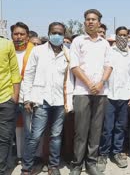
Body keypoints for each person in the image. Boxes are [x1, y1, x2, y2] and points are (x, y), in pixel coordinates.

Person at [21, 22, 72, 175]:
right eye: (54, 32)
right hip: (41, 99)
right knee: (35, 136)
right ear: (49, 33)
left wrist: (69, 102)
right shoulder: (38, 51)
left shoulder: (68, 53)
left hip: (60, 101)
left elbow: (70, 79)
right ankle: (26, 167)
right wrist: (27, 98)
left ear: (64, 35)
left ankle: (53, 166)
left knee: (56, 136)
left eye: (60, 33)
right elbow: (28, 75)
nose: (57, 36)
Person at [69, 9, 113, 175]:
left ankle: (91, 163)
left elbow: (109, 66)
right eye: (88, 19)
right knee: (80, 130)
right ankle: (76, 164)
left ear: (99, 23)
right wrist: (89, 84)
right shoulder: (78, 41)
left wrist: (100, 83)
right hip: (82, 91)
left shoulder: (105, 43)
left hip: (101, 92)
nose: (91, 22)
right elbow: (74, 66)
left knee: (96, 130)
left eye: (94, 19)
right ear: (84, 22)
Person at [97, 26, 130, 171]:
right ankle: (103, 153)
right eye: (119, 35)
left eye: (125, 35)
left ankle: (117, 152)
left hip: (125, 96)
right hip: (109, 95)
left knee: (121, 126)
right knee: (107, 127)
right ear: (115, 37)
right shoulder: (109, 51)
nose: (122, 38)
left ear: (128, 37)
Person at [10, 22, 35, 164]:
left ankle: (29, 158)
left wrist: (28, 97)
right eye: (16, 34)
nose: (18, 37)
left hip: (27, 98)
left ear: (27, 36)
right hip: (9, 98)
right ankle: (18, 156)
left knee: (29, 130)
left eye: (22, 34)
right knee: (13, 130)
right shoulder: (7, 51)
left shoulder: (34, 51)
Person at [0, 37, 21, 174]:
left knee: (4, 138)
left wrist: (14, 96)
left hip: (5, 98)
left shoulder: (6, 44)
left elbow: (14, 71)